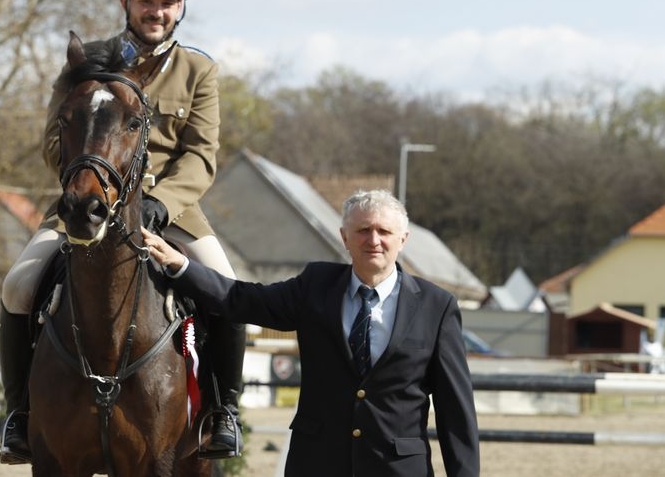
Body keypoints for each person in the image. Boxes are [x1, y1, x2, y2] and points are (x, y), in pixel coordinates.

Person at [0, 0, 246, 464]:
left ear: (180, 9)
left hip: (170, 211)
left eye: (167, 3)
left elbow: (200, 157)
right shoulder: (86, 61)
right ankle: (19, 414)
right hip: (87, 201)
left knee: (227, 288)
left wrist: (159, 203)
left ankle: (223, 412)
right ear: (125, 3)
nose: (157, 11)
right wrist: (90, 184)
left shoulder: (198, 70)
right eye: (146, 1)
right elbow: (54, 142)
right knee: (17, 287)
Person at [143, 189, 480, 477]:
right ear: (345, 237)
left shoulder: (437, 306)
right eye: (363, 230)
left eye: (384, 231)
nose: (374, 240)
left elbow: (455, 411)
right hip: (316, 464)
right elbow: (243, 300)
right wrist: (181, 266)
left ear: (403, 240)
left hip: (398, 469)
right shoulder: (316, 286)